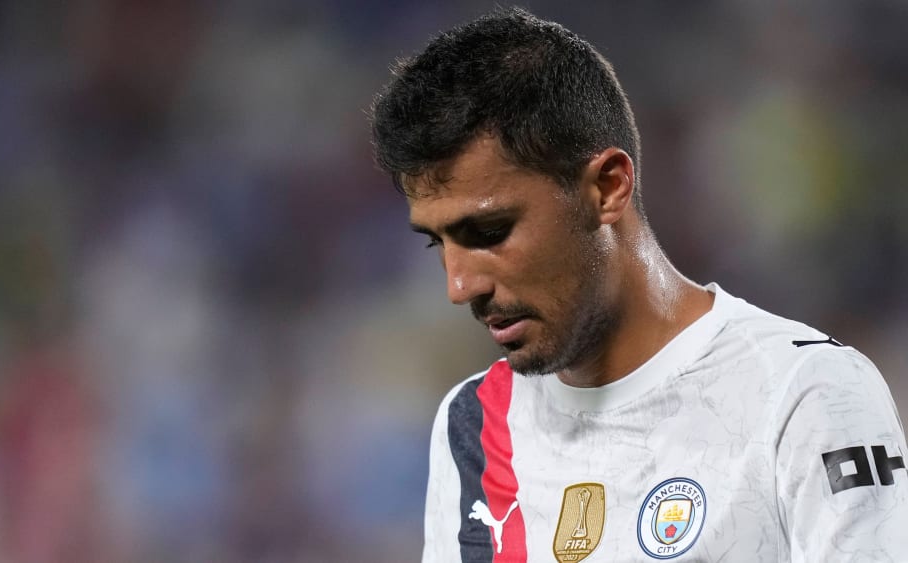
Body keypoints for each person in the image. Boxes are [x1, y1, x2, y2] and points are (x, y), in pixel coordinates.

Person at [369, 7, 908, 563]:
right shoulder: (474, 423)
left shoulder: (805, 393)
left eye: (489, 231)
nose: (460, 286)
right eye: (437, 243)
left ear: (608, 188)